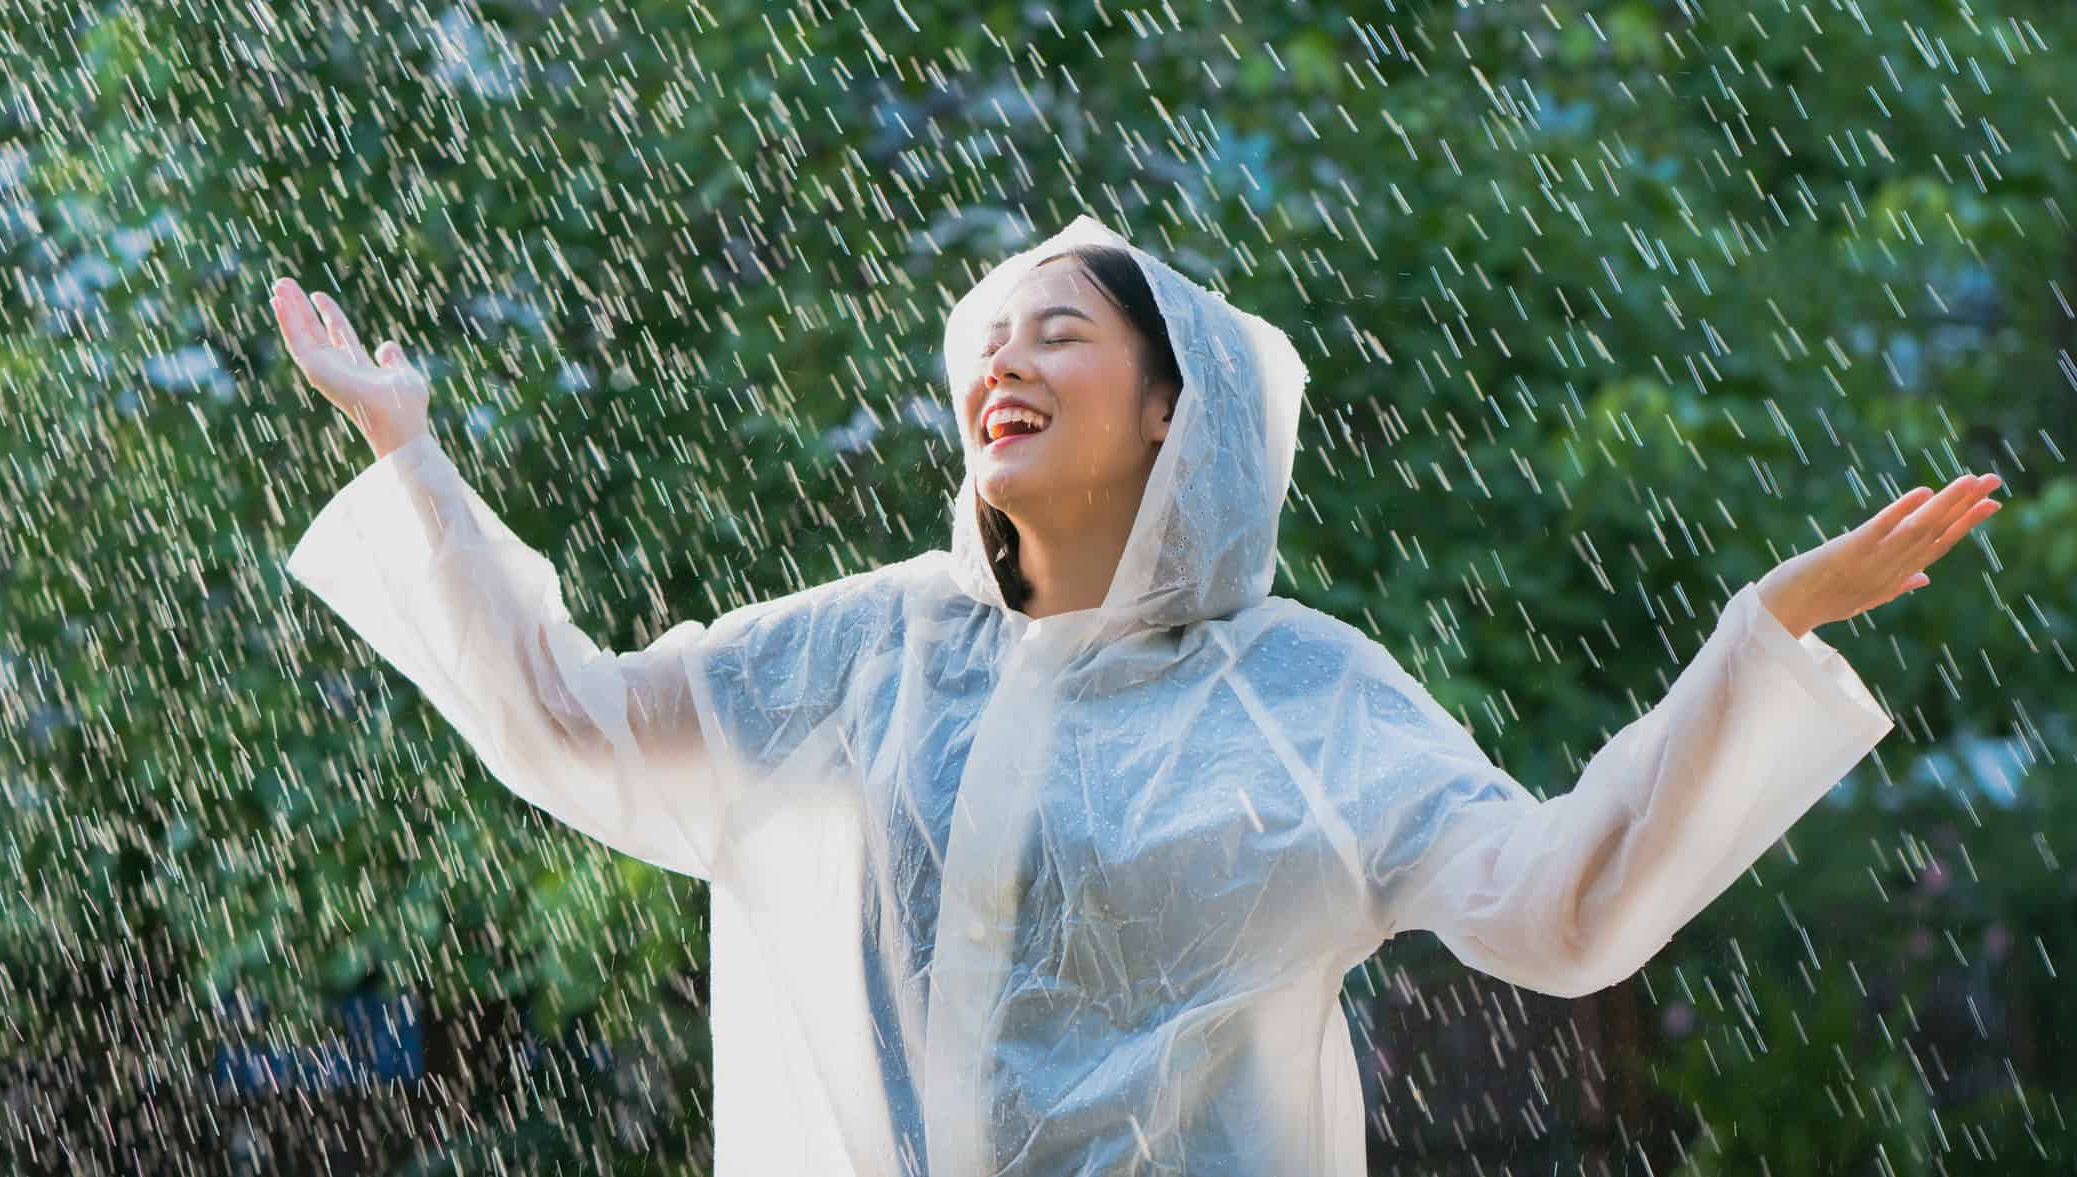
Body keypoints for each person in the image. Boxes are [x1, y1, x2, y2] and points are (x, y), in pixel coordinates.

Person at [273, 213, 2002, 1176]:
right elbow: (576, 717)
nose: (1000, 363)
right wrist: (413, 455)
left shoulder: (1304, 697)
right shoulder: (866, 650)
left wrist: (1751, 645)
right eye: (988, 343)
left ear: (1179, 408)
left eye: (1059, 333)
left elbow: (1557, 903)